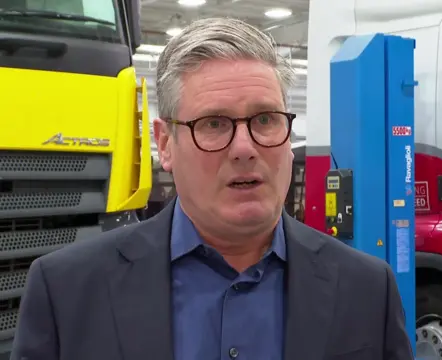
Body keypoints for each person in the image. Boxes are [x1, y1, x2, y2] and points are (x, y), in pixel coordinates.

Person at [10, 18, 413, 360]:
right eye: (214, 124)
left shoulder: (366, 290)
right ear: (165, 144)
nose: (245, 148)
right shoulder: (67, 291)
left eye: (266, 120)